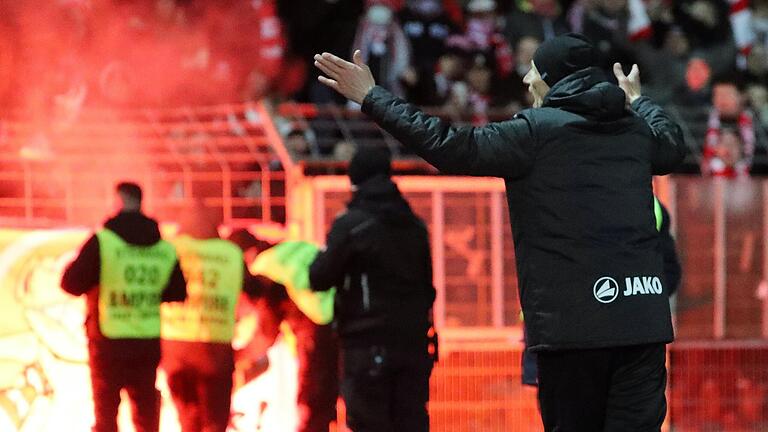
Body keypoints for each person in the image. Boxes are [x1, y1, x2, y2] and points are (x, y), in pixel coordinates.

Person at [313, 32, 686, 431]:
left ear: (555, 79)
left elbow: (447, 145)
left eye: (535, 72)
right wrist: (639, 100)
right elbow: (672, 145)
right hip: (642, 323)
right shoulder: (634, 131)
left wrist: (372, 96)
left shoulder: (535, 132)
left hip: (574, 331)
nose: (527, 81)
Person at [309, 145, 436, 432]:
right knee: (411, 423)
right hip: (413, 344)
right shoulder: (414, 225)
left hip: (366, 345)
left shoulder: (351, 226)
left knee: (369, 424)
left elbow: (319, 277)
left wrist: (320, 254)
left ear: (355, 180)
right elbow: (428, 287)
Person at [61, 182, 186, 432]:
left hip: (108, 343)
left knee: (106, 418)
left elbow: (70, 283)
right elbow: (178, 293)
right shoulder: (164, 249)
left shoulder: (103, 242)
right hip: (146, 343)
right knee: (147, 417)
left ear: (117, 203)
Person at [160, 203, 261, 432]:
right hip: (215, 347)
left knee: (187, 418)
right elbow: (254, 289)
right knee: (214, 420)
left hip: (175, 346)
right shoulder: (230, 253)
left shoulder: (169, 248)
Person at [245, 240, 340, 432]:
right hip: (340, 310)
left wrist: (238, 358)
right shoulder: (283, 254)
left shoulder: (263, 274)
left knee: (312, 394)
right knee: (330, 389)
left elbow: (267, 333)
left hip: (316, 318)